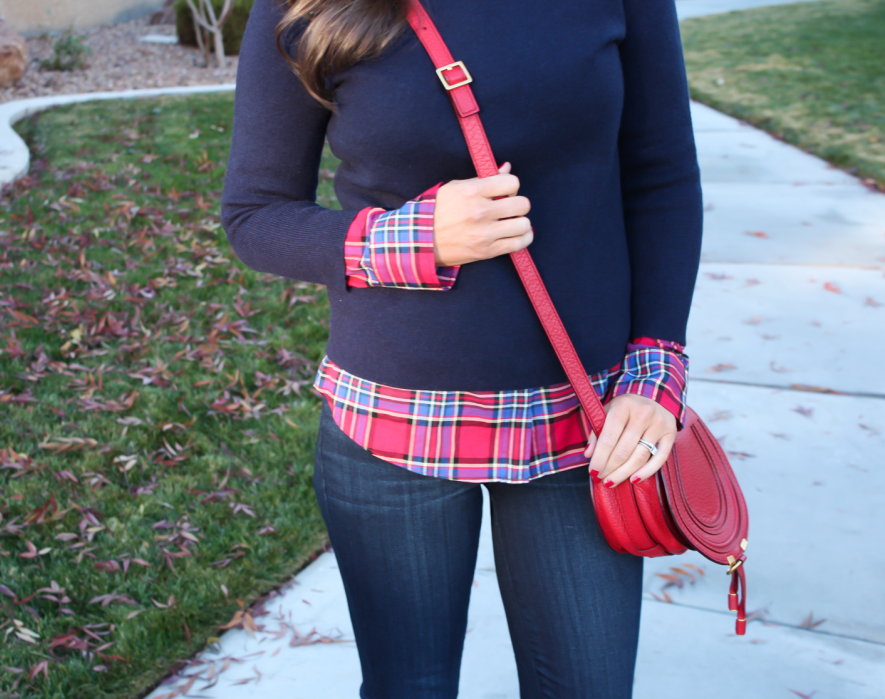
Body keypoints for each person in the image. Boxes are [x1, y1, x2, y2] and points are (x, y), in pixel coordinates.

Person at [220, 0, 702, 696]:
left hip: (583, 422)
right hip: (390, 419)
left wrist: (657, 367)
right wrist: (411, 239)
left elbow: (660, 176)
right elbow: (254, 212)